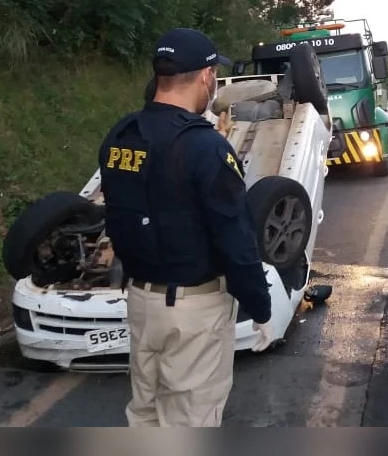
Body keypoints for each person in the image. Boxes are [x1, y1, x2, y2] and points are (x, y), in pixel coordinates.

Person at [99, 27, 275, 427]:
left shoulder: (121, 135)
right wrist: (261, 308)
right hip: (194, 311)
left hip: (142, 302)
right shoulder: (205, 146)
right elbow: (235, 238)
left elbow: (120, 212)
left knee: (145, 412)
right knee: (190, 421)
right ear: (206, 77)